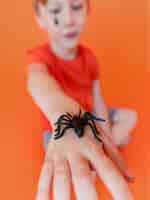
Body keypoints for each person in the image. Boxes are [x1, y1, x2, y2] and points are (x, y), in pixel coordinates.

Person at [26, 0, 138, 199]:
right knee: (70, 161)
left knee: (130, 117)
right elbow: (37, 80)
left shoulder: (89, 58)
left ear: (87, 10)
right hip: (55, 128)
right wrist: (61, 110)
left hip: (87, 115)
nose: (68, 20)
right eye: (55, 11)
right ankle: (95, 154)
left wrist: (106, 131)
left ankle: (103, 145)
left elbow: (98, 100)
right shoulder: (39, 58)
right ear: (40, 18)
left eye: (76, 7)